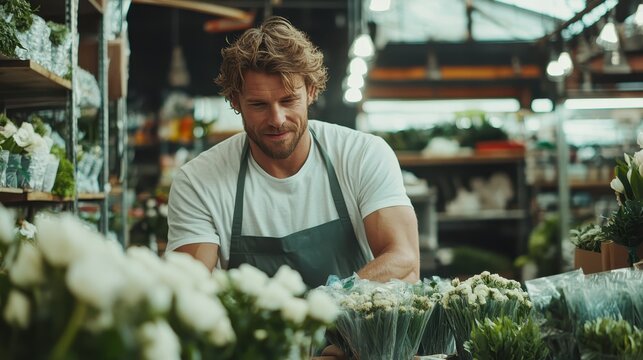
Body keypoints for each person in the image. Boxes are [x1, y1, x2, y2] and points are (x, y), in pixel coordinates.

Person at [167, 16, 419, 288]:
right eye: (259, 105)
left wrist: (327, 303)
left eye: (288, 100)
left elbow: (403, 260)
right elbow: (188, 289)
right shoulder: (198, 181)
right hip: (259, 330)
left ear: (311, 91)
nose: (277, 118)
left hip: (355, 329)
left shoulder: (361, 154)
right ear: (234, 101)